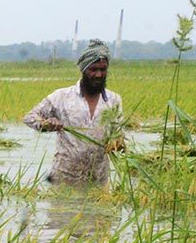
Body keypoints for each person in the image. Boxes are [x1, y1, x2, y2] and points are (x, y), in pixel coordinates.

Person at [21, 39, 124, 186]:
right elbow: (30, 117)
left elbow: (118, 134)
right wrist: (47, 124)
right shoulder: (61, 97)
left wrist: (119, 143)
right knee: (62, 209)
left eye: (103, 69)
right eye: (93, 69)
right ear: (83, 69)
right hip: (64, 177)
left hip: (99, 180)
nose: (98, 75)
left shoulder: (114, 100)